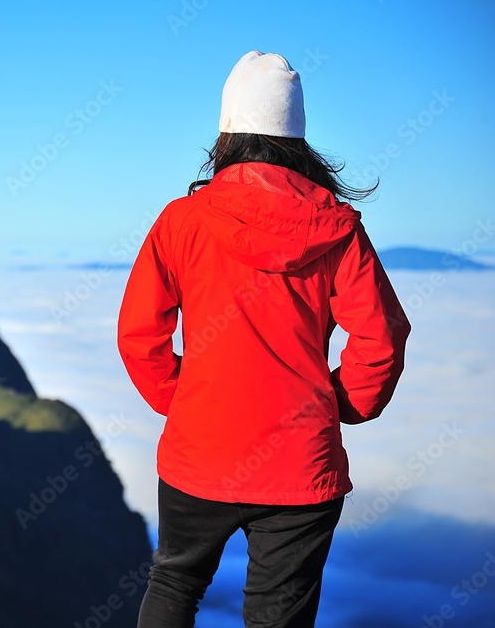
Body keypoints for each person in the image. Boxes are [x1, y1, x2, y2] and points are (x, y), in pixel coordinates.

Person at [117, 51, 411, 627]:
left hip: (199, 452)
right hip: (300, 464)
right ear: (298, 140)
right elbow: (382, 337)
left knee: (174, 584)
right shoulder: (338, 231)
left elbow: (138, 334)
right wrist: (341, 405)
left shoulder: (182, 222)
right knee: (277, 614)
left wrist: (184, 403)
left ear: (225, 134)